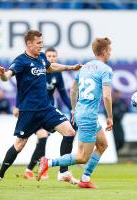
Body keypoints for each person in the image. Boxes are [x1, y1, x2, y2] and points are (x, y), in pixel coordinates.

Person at [0, 30, 82, 188]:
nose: (41, 46)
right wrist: (2, 74)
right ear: (29, 44)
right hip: (29, 111)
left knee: (70, 131)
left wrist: (70, 67)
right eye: (38, 44)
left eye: (42, 43)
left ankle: (63, 172)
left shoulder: (42, 57)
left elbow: (51, 67)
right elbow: (7, 76)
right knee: (19, 145)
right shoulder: (21, 61)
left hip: (46, 108)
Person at [37, 37, 113, 189]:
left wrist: (73, 109)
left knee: (103, 144)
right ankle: (49, 162)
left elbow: (73, 89)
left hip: (80, 112)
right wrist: (110, 116)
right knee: (82, 157)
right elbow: (106, 96)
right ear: (104, 52)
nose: (110, 53)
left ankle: (85, 179)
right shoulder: (106, 70)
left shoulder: (85, 67)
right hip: (89, 116)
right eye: (110, 50)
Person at [21, 47, 78, 184]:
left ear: (56, 58)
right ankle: (39, 168)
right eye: (49, 56)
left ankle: (31, 170)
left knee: (42, 139)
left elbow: (63, 93)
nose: (51, 58)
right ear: (44, 58)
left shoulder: (57, 74)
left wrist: (73, 108)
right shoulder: (38, 71)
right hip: (34, 110)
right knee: (41, 137)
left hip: (49, 110)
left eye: (54, 56)